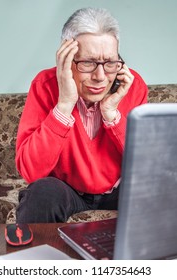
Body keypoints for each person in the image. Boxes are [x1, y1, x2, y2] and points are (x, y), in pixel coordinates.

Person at [15, 7, 148, 223]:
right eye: (88, 62)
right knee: (42, 193)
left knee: (161, 189)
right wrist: (64, 105)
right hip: (67, 191)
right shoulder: (44, 85)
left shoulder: (133, 86)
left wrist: (111, 114)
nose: (100, 76)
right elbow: (31, 171)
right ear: (66, 59)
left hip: (119, 190)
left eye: (110, 63)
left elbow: (147, 163)